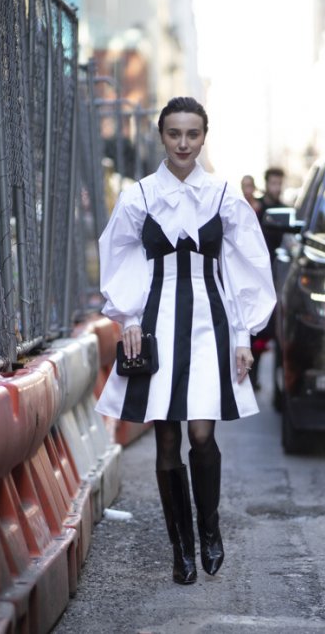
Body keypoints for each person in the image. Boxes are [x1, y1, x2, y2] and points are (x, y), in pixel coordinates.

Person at [95, 97, 276, 585]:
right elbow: (118, 255)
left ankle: (209, 529)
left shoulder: (223, 196)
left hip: (210, 325)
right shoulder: (139, 196)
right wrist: (128, 317)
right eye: (174, 133)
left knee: (201, 434)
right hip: (156, 324)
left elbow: (247, 267)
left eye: (192, 134)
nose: (183, 143)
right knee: (167, 439)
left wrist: (243, 335)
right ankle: (181, 549)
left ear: (203, 137)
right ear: (162, 136)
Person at [249, 166, 285, 389]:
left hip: (279, 274)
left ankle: (266, 379)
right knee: (258, 329)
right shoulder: (258, 209)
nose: (276, 187)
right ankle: (252, 375)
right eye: (273, 183)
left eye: (279, 183)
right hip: (259, 274)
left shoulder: (286, 209)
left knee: (273, 331)